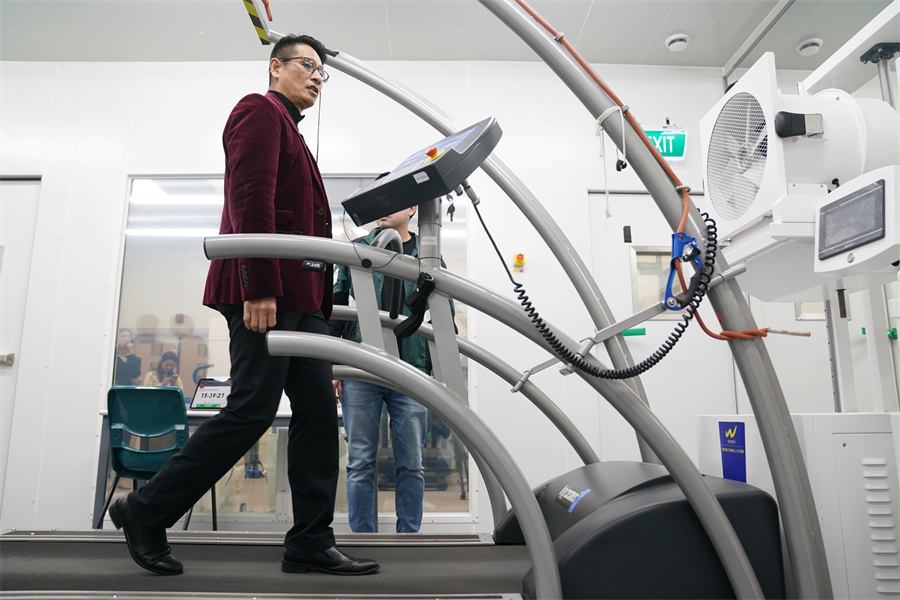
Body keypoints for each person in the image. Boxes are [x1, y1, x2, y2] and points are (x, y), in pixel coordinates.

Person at [109, 33, 378, 577]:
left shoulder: (293, 132)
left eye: (322, 71)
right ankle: (145, 509)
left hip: (302, 300)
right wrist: (259, 285)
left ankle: (310, 540)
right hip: (267, 293)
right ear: (275, 67)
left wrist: (319, 309)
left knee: (319, 415)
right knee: (252, 409)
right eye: (307, 65)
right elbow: (250, 198)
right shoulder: (258, 111)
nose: (317, 77)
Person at [331, 206, 446, 534]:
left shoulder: (428, 256)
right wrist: (335, 366)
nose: (382, 209)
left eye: (392, 202)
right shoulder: (356, 249)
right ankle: (363, 539)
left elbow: (443, 315)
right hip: (361, 367)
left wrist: (438, 371)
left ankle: (408, 540)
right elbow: (337, 307)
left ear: (412, 208)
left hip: (411, 368)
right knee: (360, 461)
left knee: (412, 464)